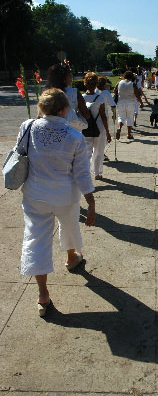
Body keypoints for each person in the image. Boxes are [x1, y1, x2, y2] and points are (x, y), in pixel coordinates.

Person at [18, 88, 96, 316]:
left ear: (41, 108)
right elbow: (82, 173)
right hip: (65, 195)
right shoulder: (74, 136)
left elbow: (22, 155)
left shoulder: (28, 127)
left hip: (35, 194)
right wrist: (90, 201)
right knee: (69, 224)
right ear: (64, 109)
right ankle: (72, 258)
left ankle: (43, 295)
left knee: (36, 239)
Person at [82, 72, 111, 180]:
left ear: (85, 84)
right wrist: (108, 132)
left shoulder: (81, 97)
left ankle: (85, 173)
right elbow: (103, 116)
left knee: (86, 152)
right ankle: (97, 172)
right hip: (99, 127)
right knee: (99, 151)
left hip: (85, 126)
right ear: (96, 85)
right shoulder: (100, 98)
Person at [114, 71, 144, 140]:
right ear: (131, 77)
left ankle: (119, 128)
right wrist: (141, 103)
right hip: (130, 103)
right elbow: (137, 96)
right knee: (130, 118)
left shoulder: (119, 82)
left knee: (121, 117)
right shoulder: (133, 84)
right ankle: (129, 134)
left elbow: (115, 90)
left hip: (120, 102)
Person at [96, 76, 116, 160]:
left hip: (93, 116)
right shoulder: (106, 93)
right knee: (103, 135)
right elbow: (113, 105)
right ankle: (101, 154)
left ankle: (96, 152)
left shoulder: (94, 91)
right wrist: (114, 114)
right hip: (103, 116)